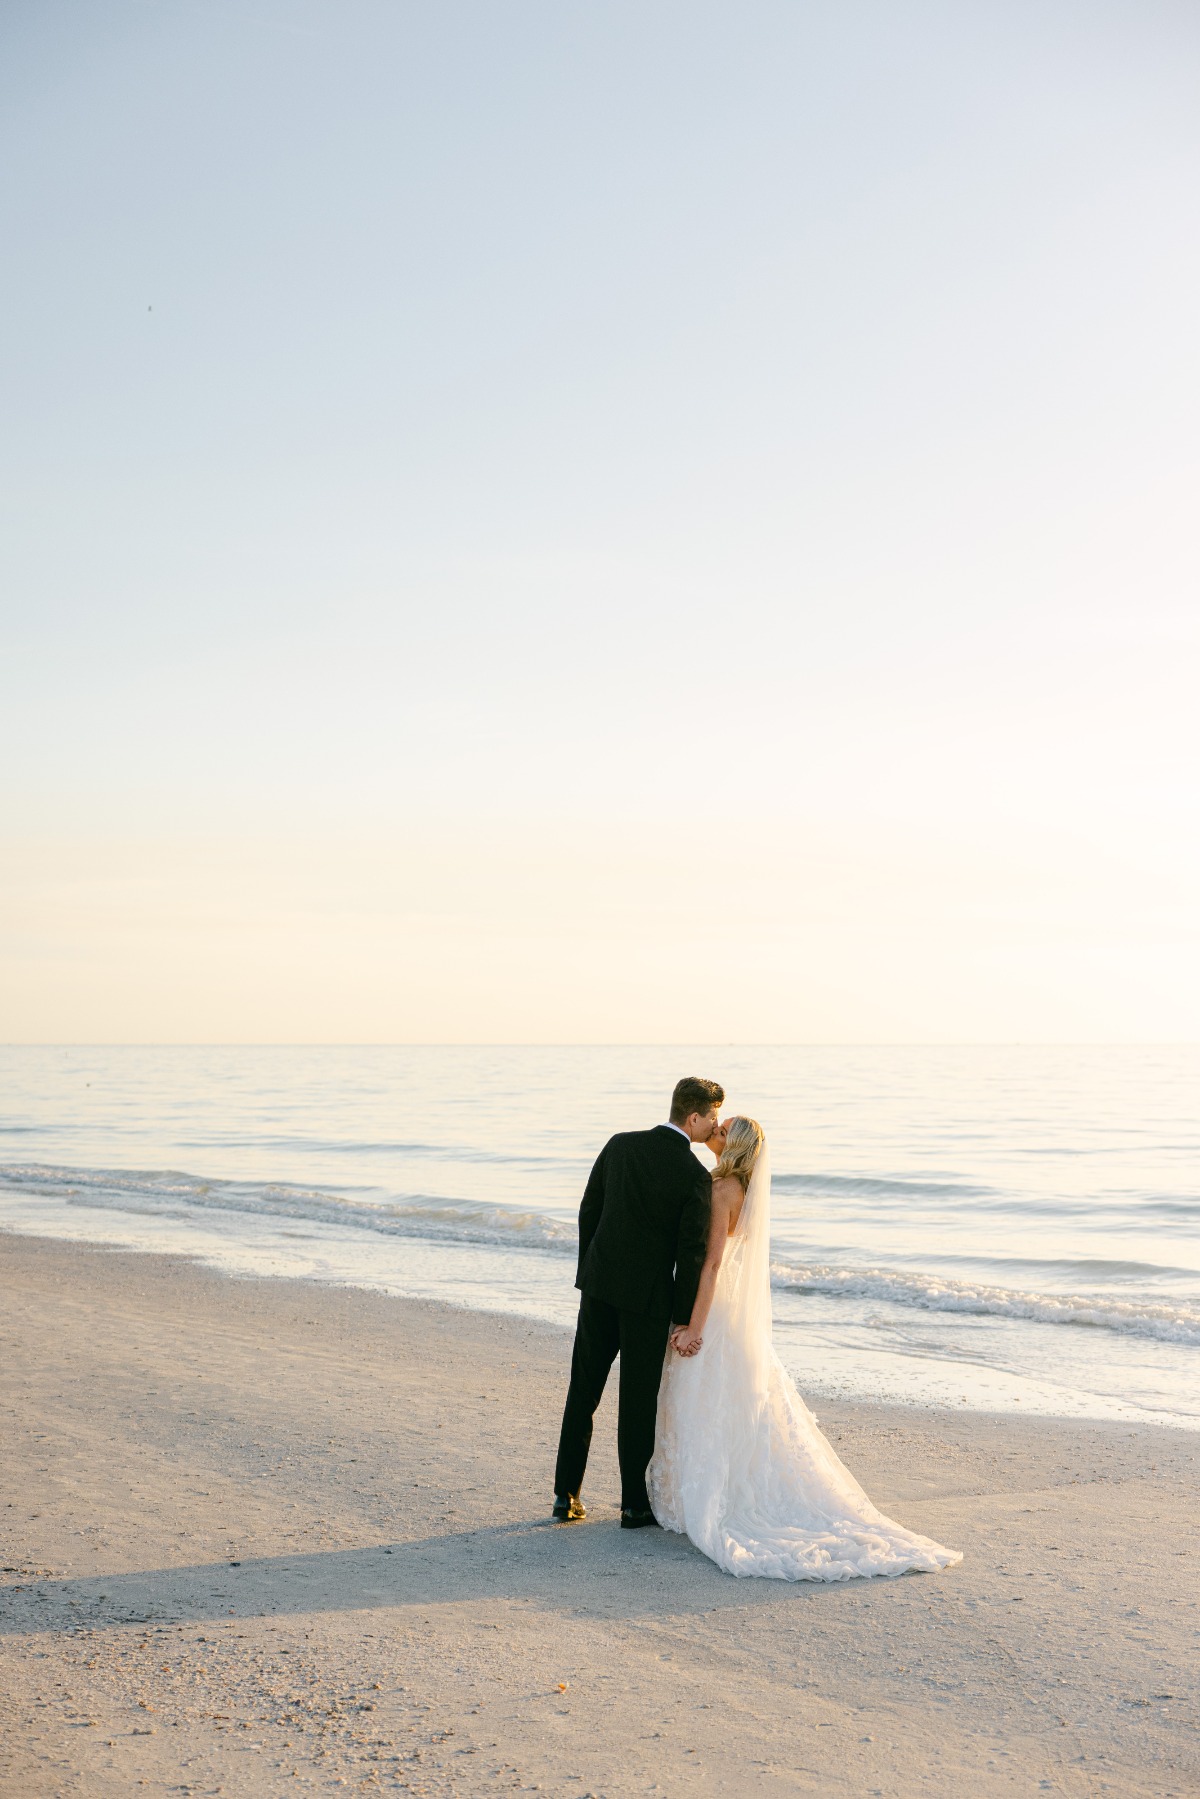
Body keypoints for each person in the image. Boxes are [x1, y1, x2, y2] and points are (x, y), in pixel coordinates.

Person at [648, 1115, 962, 1580]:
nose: (714, 1131)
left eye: (722, 1129)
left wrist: (695, 1326)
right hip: (734, 1314)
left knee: (704, 1401)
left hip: (715, 1310)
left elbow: (712, 1266)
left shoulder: (723, 1191)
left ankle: (709, 1498)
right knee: (726, 1403)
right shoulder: (746, 1190)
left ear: (730, 1144)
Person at [552, 1076, 722, 1528]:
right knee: (637, 1402)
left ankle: (564, 1495)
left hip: (600, 1289)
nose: (715, 1126)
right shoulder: (694, 1176)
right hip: (647, 1303)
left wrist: (592, 1269)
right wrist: (683, 1318)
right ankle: (633, 1505)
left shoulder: (620, 1145)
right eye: (712, 1118)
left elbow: (589, 1208)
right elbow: (690, 1256)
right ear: (694, 1117)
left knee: (583, 1390)